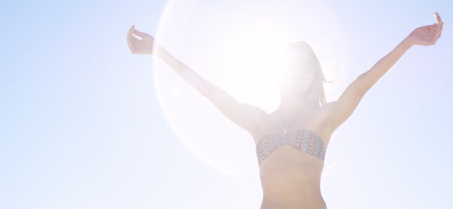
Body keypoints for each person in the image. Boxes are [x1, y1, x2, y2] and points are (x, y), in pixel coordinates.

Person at [126, 13, 444, 209]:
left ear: (313, 76)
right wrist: (159, 52)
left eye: (306, 68)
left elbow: (362, 84)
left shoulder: (324, 118)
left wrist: (408, 42)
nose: (299, 74)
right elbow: (209, 90)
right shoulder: (258, 121)